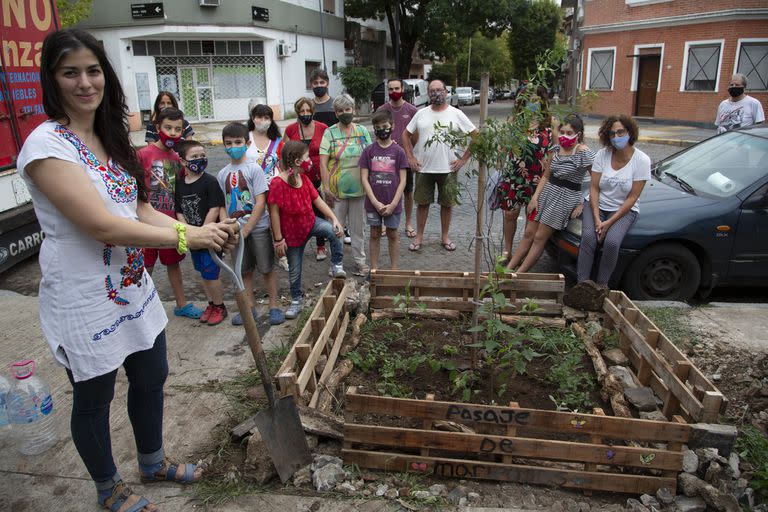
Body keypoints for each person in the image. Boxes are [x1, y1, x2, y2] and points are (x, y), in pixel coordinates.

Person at [18, 28, 237, 512]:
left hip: (131, 286)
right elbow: (104, 226)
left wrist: (199, 229)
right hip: (83, 294)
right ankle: (107, 487)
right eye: (69, 72)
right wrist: (188, 237)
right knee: (94, 397)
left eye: (92, 70)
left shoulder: (111, 136)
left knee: (151, 373)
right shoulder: (45, 147)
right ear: (52, 80)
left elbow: (137, 209)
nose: (84, 83)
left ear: (105, 75)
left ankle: (153, 461)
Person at [506, 114, 595, 272]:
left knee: (540, 237)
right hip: (547, 193)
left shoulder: (583, 152)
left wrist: (583, 202)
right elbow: (546, 175)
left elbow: (596, 181)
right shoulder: (555, 149)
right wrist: (535, 197)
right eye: (562, 132)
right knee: (528, 233)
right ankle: (509, 268)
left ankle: (519, 274)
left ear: (578, 134)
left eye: (569, 133)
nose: (564, 136)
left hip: (564, 198)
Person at [269, 141, 346, 318]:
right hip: (292, 235)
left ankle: (336, 265)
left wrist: (334, 219)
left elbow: (317, 201)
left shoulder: (303, 178)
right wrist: (279, 239)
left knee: (334, 231)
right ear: (297, 161)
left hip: (310, 223)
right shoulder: (277, 183)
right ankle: (296, 301)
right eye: (306, 157)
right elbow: (273, 212)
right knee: (295, 271)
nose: (310, 160)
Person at [138, 106, 202, 319]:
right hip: (145, 224)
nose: (173, 133)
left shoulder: (177, 158)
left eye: (177, 129)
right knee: (143, 267)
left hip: (170, 224)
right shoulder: (143, 155)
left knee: (173, 264)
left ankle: (181, 304)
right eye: (168, 128)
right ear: (158, 128)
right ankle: (140, 307)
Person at [218, 122, 285, 326]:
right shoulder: (222, 174)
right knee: (243, 271)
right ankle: (250, 308)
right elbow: (223, 204)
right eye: (228, 143)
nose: (233, 146)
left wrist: (247, 229)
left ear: (247, 143)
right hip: (236, 232)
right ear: (223, 145)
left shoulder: (254, 169)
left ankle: (274, 306)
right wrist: (227, 226)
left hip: (257, 228)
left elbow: (261, 202)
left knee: (267, 268)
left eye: (238, 142)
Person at [401, 79, 477, 252]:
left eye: (439, 90)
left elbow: (476, 135)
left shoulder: (456, 113)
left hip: (449, 168)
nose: (436, 93)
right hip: (424, 168)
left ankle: (445, 237)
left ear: (446, 92)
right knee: (422, 204)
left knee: (447, 204)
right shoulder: (421, 113)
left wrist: (464, 159)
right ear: (428, 93)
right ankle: (419, 238)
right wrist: (410, 156)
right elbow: (405, 135)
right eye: (432, 90)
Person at [577, 114, 651, 285]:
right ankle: (582, 285)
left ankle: (602, 287)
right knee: (589, 237)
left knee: (611, 242)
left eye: (620, 132)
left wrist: (608, 224)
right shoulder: (602, 155)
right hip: (597, 205)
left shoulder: (642, 160)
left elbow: (633, 197)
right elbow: (594, 188)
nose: (616, 137)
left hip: (623, 210)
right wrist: (597, 218)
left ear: (630, 133)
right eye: (612, 134)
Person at [494, 91, 553, 263]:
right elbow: (503, 148)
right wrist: (500, 157)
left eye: (536, 101)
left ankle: (523, 250)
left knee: (531, 217)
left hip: (538, 179)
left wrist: (549, 162)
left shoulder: (549, 124)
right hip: (514, 177)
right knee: (510, 214)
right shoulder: (514, 123)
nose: (533, 104)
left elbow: (555, 151)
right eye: (529, 101)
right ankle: (507, 250)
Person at [174, 140, 228, 326]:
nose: (200, 159)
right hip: (194, 240)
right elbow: (179, 210)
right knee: (203, 274)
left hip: (210, 238)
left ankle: (220, 306)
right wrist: (189, 233)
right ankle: (211, 304)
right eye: (194, 157)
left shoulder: (210, 181)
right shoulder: (180, 185)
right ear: (183, 161)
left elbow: (215, 208)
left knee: (211, 274)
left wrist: (202, 232)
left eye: (202, 156)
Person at [319, 94, 372, 276]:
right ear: (335, 113)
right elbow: (323, 163)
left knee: (359, 230)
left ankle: (360, 262)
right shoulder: (329, 133)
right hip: (336, 192)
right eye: (340, 110)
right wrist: (326, 189)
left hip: (359, 190)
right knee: (336, 229)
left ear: (353, 109)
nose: (344, 113)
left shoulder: (362, 132)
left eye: (347, 109)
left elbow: (370, 156)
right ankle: (337, 263)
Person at [360, 109, 408, 271]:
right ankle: (374, 268)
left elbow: (403, 180)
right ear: (373, 129)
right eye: (378, 127)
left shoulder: (399, 152)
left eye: (385, 126)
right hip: (373, 203)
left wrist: (394, 204)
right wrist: (374, 201)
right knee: (374, 233)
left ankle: (394, 270)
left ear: (392, 126)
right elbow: (364, 178)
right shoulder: (368, 151)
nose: (382, 130)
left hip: (393, 203)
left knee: (393, 234)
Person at [284, 97, 329, 261]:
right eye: (301, 111)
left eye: (307, 111)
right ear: (297, 113)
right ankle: (298, 245)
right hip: (298, 179)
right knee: (298, 211)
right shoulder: (290, 130)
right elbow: (285, 153)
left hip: (317, 178)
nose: (305, 114)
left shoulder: (323, 128)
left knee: (318, 211)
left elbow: (328, 152)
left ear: (312, 111)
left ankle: (321, 245)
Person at [376, 78, 419, 238]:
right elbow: (377, 133)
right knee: (385, 191)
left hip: (405, 161)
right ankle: (386, 223)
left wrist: (408, 152)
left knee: (407, 192)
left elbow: (415, 135)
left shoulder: (412, 110)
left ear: (402, 89)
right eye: (391, 89)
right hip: (385, 160)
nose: (394, 92)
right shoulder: (382, 109)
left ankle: (408, 223)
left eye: (396, 88)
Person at [246, 103, 283, 182]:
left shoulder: (277, 141)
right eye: (259, 117)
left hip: (274, 186)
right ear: (253, 118)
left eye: (266, 118)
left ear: (271, 121)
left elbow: (283, 165)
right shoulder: (245, 138)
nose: (263, 121)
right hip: (250, 184)